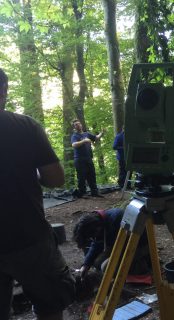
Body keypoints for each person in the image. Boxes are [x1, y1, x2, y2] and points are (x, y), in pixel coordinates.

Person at [0, 68, 75, 320]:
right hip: (29, 238)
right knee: (50, 304)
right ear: (4, 91)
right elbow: (55, 178)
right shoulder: (26, 127)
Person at [73, 208, 151, 278]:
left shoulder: (117, 219)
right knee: (96, 262)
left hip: (137, 246)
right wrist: (86, 265)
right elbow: (96, 244)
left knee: (106, 267)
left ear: (97, 229)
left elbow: (125, 247)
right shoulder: (99, 222)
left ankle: (140, 265)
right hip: (117, 245)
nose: (92, 238)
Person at [71, 119, 103, 198]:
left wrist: (102, 132)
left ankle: (94, 192)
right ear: (74, 127)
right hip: (79, 159)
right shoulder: (75, 136)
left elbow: (96, 138)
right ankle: (82, 193)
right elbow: (74, 145)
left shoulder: (87, 134)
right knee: (81, 176)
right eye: (76, 125)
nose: (78, 125)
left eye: (79, 124)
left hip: (88, 158)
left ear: (81, 125)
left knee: (92, 175)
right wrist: (84, 141)